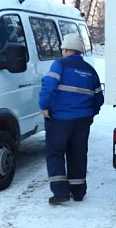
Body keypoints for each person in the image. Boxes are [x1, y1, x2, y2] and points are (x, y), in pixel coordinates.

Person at [39, 32, 104, 205]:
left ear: (66, 49)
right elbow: (99, 98)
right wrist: (91, 113)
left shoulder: (59, 65)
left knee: (55, 153)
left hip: (60, 119)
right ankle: (78, 191)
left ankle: (60, 192)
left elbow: (48, 86)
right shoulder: (90, 70)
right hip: (82, 121)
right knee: (78, 154)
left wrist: (44, 107)